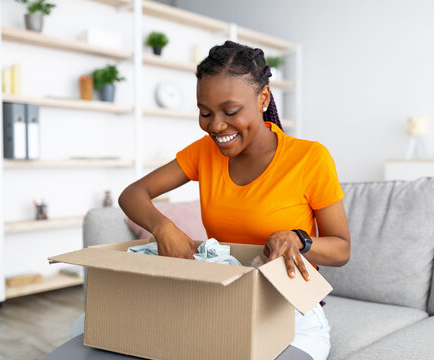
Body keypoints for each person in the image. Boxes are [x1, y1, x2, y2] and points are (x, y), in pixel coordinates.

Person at [118, 40, 350, 360]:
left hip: (290, 312)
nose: (216, 126)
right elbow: (132, 194)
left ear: (263, 98)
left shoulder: (309, 158)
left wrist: (300, 239)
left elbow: (341, 248)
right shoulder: (204, 153)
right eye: (205, 113)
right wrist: (163, 228)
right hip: (222, 304)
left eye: (230, 111)